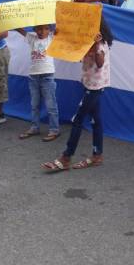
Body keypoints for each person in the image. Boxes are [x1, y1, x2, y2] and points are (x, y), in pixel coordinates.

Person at [42, 16, 113, 172]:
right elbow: (76, 54)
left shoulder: (99, 42)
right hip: (91, 84)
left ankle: (66, 157)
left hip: (94, 87)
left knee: (78, 120)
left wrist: (95, 44)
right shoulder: (89, 41)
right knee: (96, 120)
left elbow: (100, 63)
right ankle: (97, 155)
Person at [16, 25, 60, 142]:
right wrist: (12, 21)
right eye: (39, 29)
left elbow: (62, 29)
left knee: (51, 105)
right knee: (34, 105)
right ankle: (35, 127)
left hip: (47, 76)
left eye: (45, 29)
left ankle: (54, 129)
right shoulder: (32, 38)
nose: (42, 31)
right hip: (33, 77)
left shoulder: (51, 38)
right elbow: (19, 29)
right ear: (35, 29)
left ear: (49, 30)